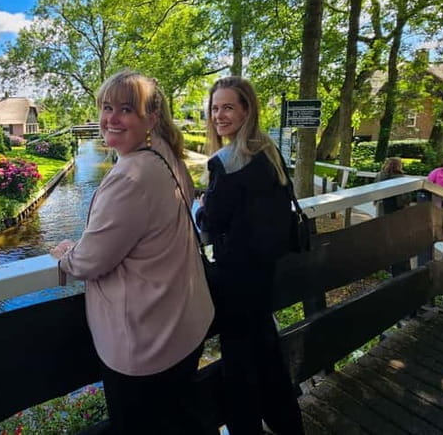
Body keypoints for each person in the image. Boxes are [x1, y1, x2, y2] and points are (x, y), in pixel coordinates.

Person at [50, 70, 214, 435]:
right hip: (184, 325)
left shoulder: (130, 177)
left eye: (125, 109)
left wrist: (66, 254)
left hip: (147, 343)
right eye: (106, 108)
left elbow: (91, 260)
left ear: (151, 118)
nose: (111, 118)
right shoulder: (166, 157)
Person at [195, 76, 304, 435]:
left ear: (247, 110)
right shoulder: (270, 152)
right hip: (265, 274)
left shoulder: (225, 162)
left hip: (235, 281)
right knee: (268, 357)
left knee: (239, 368)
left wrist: (199, 207)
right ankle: (289, 425)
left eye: (228, 107)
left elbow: (210, 221)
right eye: (214, 108)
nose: (219, 115)